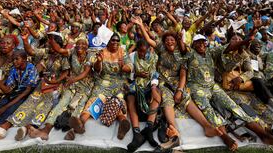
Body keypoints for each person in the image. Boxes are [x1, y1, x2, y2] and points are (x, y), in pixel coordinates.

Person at [132, 16, 221, 149]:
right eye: (167, 40)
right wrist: (140, 26)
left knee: (185, 98)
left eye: (172, 39)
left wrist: (179, 90)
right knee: (167, 100)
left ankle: (207, 127)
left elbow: (183, 73)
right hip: (163, 82)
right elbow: (150, 40)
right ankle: (174, 133)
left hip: (177, 81)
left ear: (176, 41)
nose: (169, 42)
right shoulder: (161, 48)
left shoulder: (183, 53)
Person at [67, 34, 131, 141]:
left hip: (119, 81)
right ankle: (80, 123)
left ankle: (122, 124)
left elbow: (129, 67)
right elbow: (96, 70)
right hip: (103, 81)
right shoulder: (102, 52)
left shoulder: (122, 52)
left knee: (119, 99)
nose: (115, 42)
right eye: (113, 40)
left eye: (117, 40)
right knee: (95, 98)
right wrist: (99, 61)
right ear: (108, 41)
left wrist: (123, 66)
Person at [124, 39, 161, 152]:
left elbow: (154, 74)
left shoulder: (153, 57)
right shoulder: (131, 56)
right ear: (137, 49)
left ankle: (149, 128)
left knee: (157, 96)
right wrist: (136, 74)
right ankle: (136, 132)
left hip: (149, 84)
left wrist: (154, 87)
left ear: (148, 50)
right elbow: (128, 72)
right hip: (135, 83)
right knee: (130, 98)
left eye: (144, 51)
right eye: (140, 51)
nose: (142, 54)